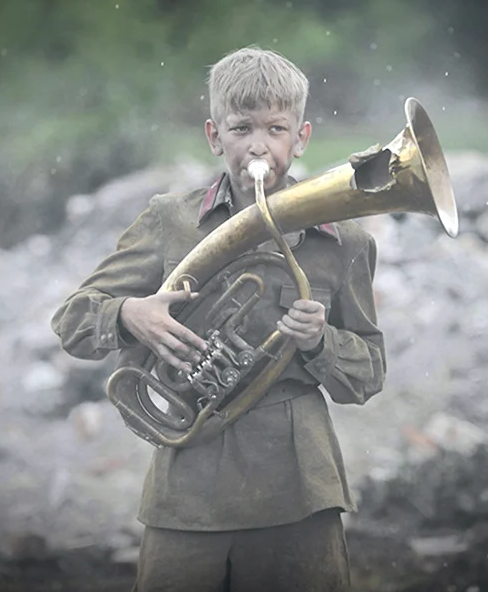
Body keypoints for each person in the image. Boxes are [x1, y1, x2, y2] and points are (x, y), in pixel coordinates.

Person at [51, 45, 387, 591]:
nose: (259, 145)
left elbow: (369, 374)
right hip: (189, 490)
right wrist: (131, 314)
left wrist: (320, 342)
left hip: (298, 490)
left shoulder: (343, 238)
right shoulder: (170, 221)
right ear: (214, 136)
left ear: (301, 140)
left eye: (277, 129)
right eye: (240, 129)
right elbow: (71, 322)